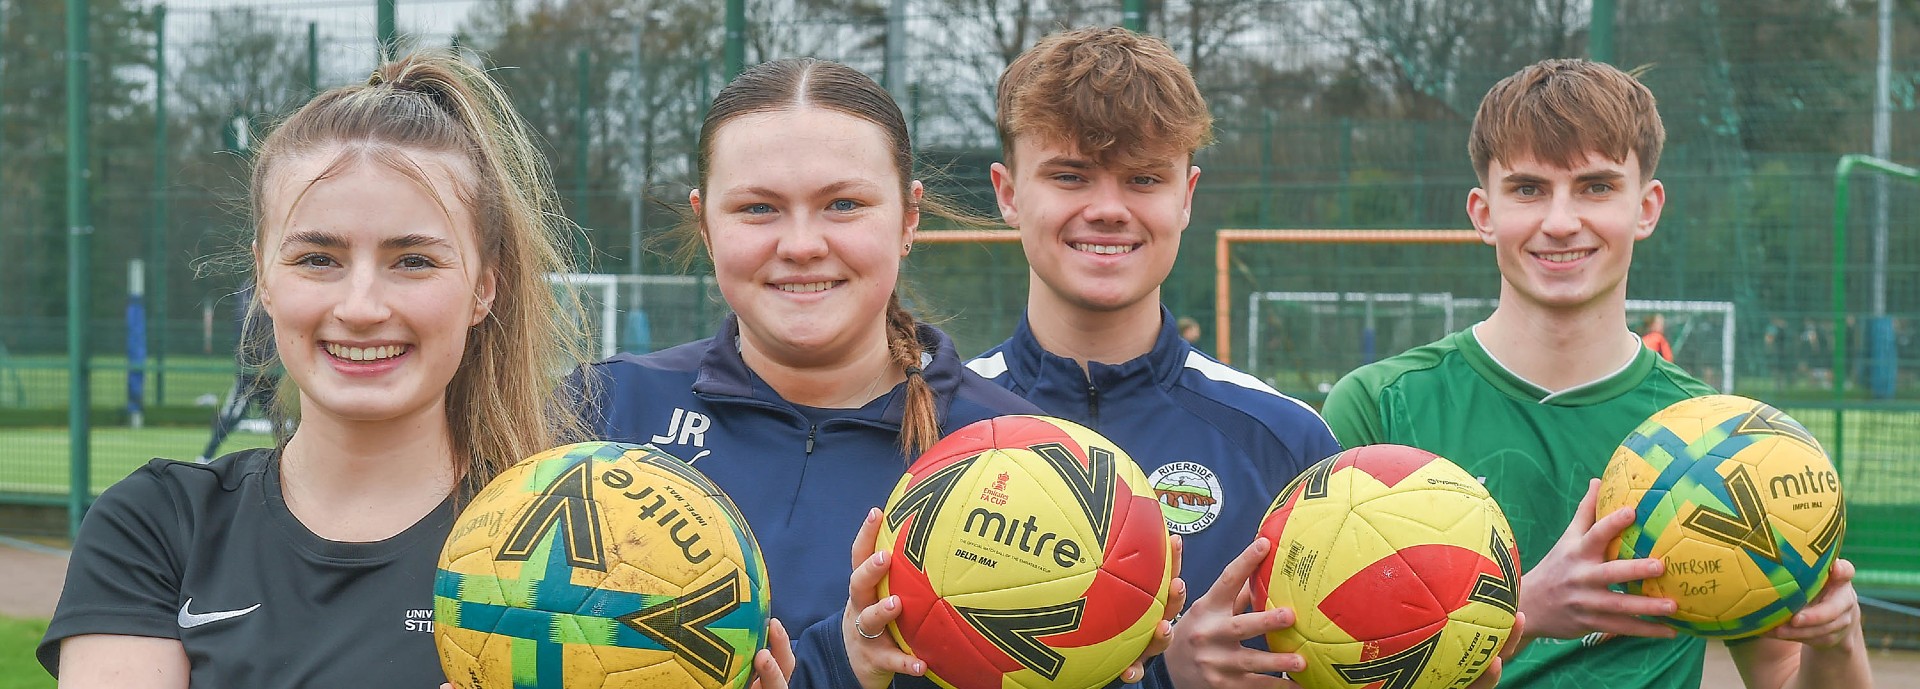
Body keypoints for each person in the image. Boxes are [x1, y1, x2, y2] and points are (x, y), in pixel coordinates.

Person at [37, 53, 726, 687]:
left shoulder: (586, 548)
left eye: (414, 260)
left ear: (485, 287)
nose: (361, 307)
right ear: (264, 277)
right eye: (317, 258)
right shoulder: (159, 524)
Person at [576, 58, 1169, 689]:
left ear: (909, 216)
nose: (802, 244)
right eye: (758, 208)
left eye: (844, 204)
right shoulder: (599, 414)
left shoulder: (1039, 465)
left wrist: (1155, 668)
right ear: (704, 221)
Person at [1322, 58, 1870, 688]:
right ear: (1483, 212)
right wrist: (1520, 609)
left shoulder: (1716, 443)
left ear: (1647, 207)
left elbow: (1783, 676)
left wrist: (1836, 639)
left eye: (1596, 187)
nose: (1560, 221)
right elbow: (1325, 664)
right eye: (1528, 189)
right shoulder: (1380, 408)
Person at [962, 27, 1349, 688]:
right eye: (1070, 175)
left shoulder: (1285, 438)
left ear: (1187, 195)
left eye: (1143, 178)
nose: (1108, 208)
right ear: (1007, 193)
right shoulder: (935, 423)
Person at [197, 284, 282, 463]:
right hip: (250, 373)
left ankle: (292, 461)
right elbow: (244, 330)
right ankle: (205, 457)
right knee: (232, 416)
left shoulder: (276, 289)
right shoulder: (248, 293)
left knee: (278, 421)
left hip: (270, 372)